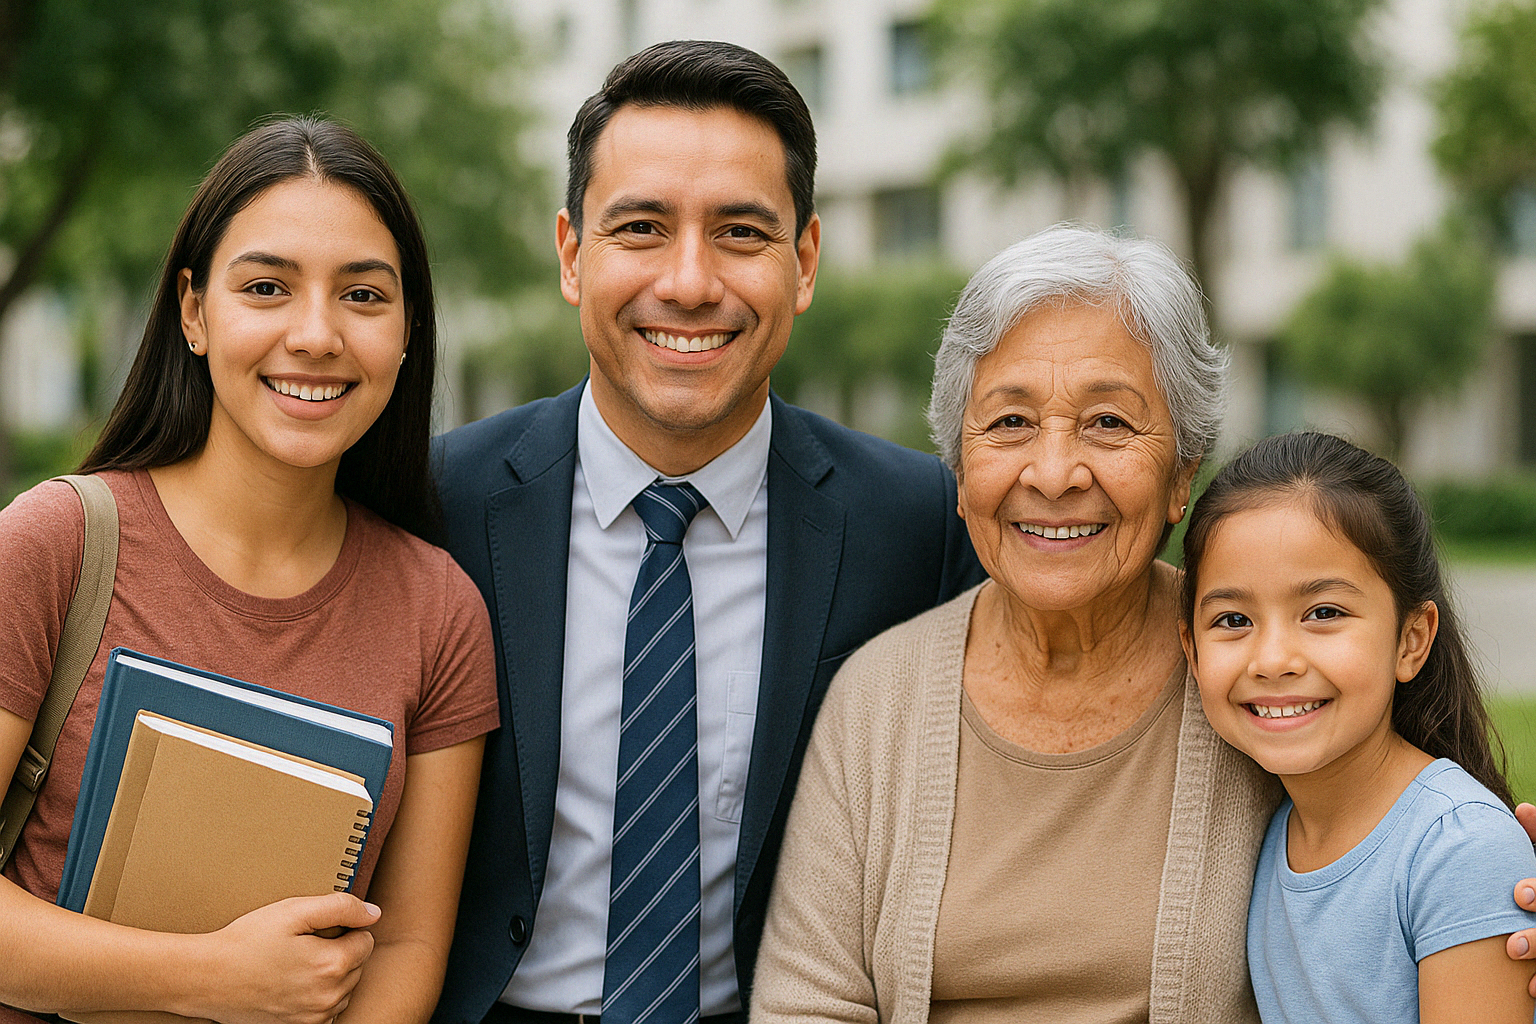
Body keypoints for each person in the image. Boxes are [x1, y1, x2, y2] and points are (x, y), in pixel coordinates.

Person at [430, 40, 984, 1024]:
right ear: (571, 254)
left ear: (804, 262)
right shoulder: (441, 502)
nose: (689, 282)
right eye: (641, 228)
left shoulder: (918, 522)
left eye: (740, 233)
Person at [0, 116, 500, 1023]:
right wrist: (218, 980)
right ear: (194, 312)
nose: (315, 336)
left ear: (406, 329)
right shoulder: (56, 545)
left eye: (363, 296)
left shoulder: (439, 612)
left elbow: (410, 947)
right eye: (267, 287)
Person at [751, 224, 1282, 1023]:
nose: (1055, 473)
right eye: (1009, 423)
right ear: (960, 478)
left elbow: (1401, 867)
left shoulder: (1262, 675)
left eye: (1108, 422)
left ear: (1183, 474)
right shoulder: (877, 698)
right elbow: (807, 1002)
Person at [1178, 431, 1536, 1023]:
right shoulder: (1267, 832)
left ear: (1411, 639)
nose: (1273, 659)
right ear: (1191, 650)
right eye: (1234, 619)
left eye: (1324, 613)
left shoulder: (1458, 850)